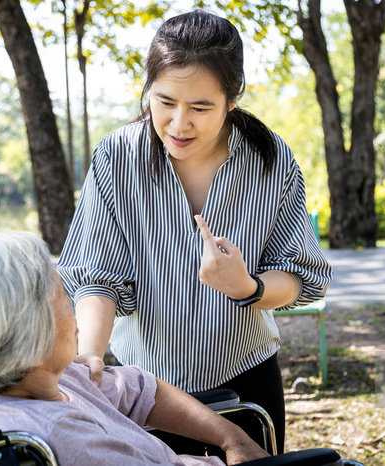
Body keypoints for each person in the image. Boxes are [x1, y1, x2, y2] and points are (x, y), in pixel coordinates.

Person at [56, 10, 334, 454]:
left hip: (247, 379)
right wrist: (91, 353)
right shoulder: (116, 157)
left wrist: (247, 286)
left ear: (232, 99)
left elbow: (300, 276)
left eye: (200, 108)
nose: (179, 123)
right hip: (145, 390)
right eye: (165, 102)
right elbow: (95, 276)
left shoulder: (271, 159)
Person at [0, 233, 269, 465]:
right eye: (63, 298)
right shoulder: (68, 440)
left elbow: (141, 388)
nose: (74, 309)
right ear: (32, 338)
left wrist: (230, 437)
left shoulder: (45, 378)